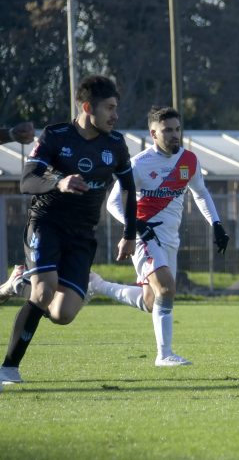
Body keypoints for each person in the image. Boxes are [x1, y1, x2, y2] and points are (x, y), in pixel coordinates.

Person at [0, 75, 137, 385]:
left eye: (117, 108)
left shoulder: (115, 143)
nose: (115, 115)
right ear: (88, 107)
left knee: (62, 315)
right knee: (44, 291)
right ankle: (8, 367)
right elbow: (27, 181)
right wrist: (57, 182)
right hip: (46, 223)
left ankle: (18, 285)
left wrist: (130, 233)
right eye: (110, 108)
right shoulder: (56, 136)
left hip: (82, 235)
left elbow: (128, 188)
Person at [92, 106, 229, 367]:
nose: (175, 135)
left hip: (170, 240)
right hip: (145, 236)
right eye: (168, 130)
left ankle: (98, 286)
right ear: (153, 133)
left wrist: (217, 224)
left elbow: (201, 193)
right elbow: (112, 203)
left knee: (151, 300)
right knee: (166, 288)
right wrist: (135, 227)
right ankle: (164, 355)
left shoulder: (189, 161)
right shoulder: (139, 165)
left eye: (177, 129)